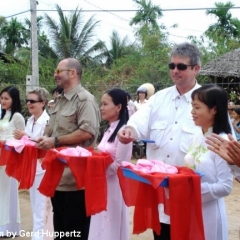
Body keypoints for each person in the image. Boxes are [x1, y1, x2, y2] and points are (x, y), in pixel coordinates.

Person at [117, 42, 203, 240]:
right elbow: (138, 122)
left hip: (189, 196)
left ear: (196, 69)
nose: (175, 71)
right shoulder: (158, 99)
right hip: (160, 196)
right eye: (171, 66)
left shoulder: (207, 101)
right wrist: (129, 130)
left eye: (181, 66)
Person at [36, 58, 101, 240]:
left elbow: (87, 131)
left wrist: (54, 141)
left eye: (59, 70)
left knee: (75, 232)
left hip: (75, 180)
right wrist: (44, 139)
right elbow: (53, 130)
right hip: (58, 177)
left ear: (72, 73)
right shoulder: (60, 100)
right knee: (61, 231)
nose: (55, 74)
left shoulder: (85, 99)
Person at [184, 84, 233, 240]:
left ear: (214, 110)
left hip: (210, 213)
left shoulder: (222, 142)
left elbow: (225, 186)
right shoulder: (197, 137)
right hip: (192, 207)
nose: (192, 112)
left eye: (197, 107)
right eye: (192, 106)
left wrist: (193, 189)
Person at [88, 89, 132, 240]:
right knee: (99, 222)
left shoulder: (124, 132)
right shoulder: (109, 129)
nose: (101, 108)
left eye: (105, 104)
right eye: (102, 104)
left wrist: (96, 170)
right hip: (101, 183)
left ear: (118, 107)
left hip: (114, 186)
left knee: (110, 224)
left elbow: (120, 164)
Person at [13, 87, 50, 240]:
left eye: (33, 101)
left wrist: (26, 136)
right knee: (35, 205)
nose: (29, 103)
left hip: (42, 167)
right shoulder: (30, 120)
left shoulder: (47, 121)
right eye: (28, 100)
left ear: (43, 103)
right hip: (31, 166)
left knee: (41, 207)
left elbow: (43, 144)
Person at [0, 86, 25, 236]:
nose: (3, 101)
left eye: (6, 98)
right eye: (1, 98)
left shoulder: (17, 117)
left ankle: (9, 228)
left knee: (8, 192)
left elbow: (23, 139)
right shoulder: (3, 114)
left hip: (9, 158)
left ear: (13, 100)